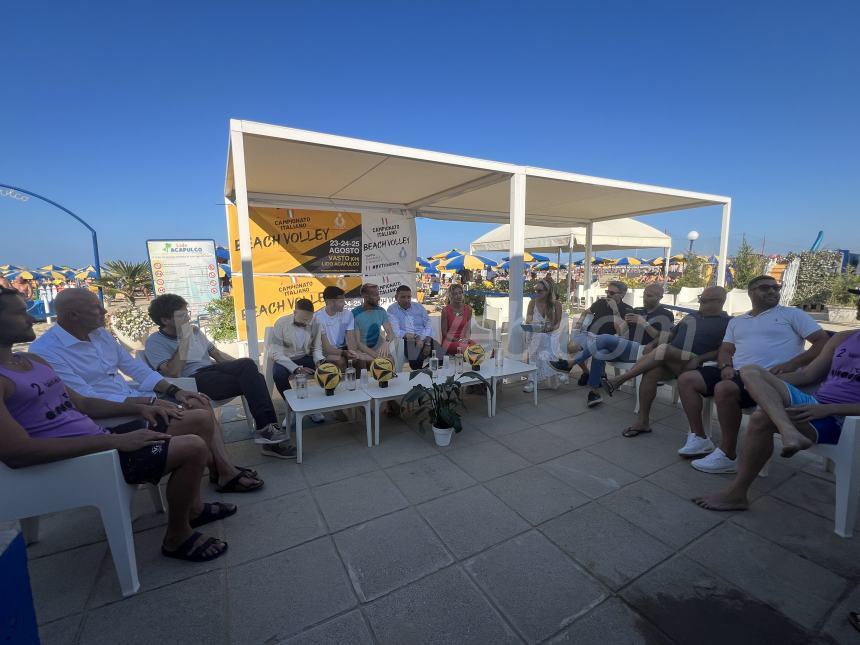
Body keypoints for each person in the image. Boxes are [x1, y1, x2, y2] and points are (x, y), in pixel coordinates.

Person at [0, 287, 230, 562]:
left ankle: (196, 504)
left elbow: (83, 404)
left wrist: (150, 403)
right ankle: (177, 536)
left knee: (198, 416)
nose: (32, 318)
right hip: (86, 457)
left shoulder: (31, 361)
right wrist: (117, 440)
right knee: (192, 446)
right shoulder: (40, 355)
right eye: (21, 312)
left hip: (102, 435)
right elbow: (17, 453)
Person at [29, 289, 265, 488]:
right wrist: (148, 403)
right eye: (96, 309)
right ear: (73, 315)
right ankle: (225, 470)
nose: (104, 312)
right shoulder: (47, 351)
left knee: (202, 399)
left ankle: (222, 469)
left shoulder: (99, 335)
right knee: (202, 415)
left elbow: (135, 369)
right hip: (110, 418)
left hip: (136, 399)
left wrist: (175, 392)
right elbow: (88, 400)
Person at [693, 288, 860, 511]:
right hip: (815, 403)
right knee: (751, 371)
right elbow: (807, 375)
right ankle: (788, 430)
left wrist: (830, 409)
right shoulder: (843, 338)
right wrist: (766, 380)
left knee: (762, 418)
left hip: (843, 417)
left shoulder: (793, 316)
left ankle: (737, 494)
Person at [678, 275, 830, 472]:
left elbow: (821, 341)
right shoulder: (738, 321)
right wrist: (725, 367)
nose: (772, 291)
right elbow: (726, 350)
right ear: (750, 292)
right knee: (687, 379)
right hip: (736, 372)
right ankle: (699, 437)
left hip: (769, 378)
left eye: (776, 288)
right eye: (765, 288)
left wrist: (793, 364)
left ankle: (728, 454)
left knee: (725, 388)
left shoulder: (791, 314)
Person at [143, 293, 295, 460]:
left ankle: (267, 431)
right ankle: (268, 434)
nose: (187, 317)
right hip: (192, 382)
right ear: (165, 320)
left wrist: (247, 368)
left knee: (253, 373)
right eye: (182, 315)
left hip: (214, 372)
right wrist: (184, 339)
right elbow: (172, 373)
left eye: (187, 313)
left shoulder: (196, 332)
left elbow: (217, 355)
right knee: (253, 374)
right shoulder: (155, 342)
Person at [606, 287, 730, 438]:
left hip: (695, 361)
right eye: (700, 298)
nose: (699, 302)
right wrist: (653, 343)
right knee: (651, 372)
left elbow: (723, 350)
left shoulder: (728, 322)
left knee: (665, 348)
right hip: (672, 359)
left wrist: (699, 359)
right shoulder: (691, 316)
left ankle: (619, 380)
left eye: (703, 300)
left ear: (720, 302)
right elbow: (670, 334)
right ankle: (643, 421)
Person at [550, 283, 673, 407]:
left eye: (649, 296)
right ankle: (594, 392)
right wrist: (623, 319)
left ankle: (570, 363)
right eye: (644, 295)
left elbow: (663, 338)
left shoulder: (666, 314)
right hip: (626, 348)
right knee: (599, 352)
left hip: (644, 351)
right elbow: (621, 331)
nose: (645, 298)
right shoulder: (637, 310)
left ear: (660, 297)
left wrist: (643, 323)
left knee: (603, 338)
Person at [269, 298, 325, 424]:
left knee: (327, 369)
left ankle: (313, 407)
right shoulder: (281, 323)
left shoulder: (316, 322)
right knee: (278, 375)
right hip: (285, 358)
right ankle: (292, 408)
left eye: (308, 319)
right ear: (294, 312)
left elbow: (316, 348)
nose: (306, 323)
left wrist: (319, 361)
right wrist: (296, 368)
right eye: (303, 319)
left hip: (305, 357)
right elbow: (275, 352)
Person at [523, 278, 563, 393]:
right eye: (536, 290)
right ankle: (533, 379)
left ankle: (532, 380)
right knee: (539, 338)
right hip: (536, 332)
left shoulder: (556, 304)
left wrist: (550, 329)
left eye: (540, 291)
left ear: (548, 291)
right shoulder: (532, 302)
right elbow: (529, 318)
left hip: (551, 333)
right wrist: (532, 323)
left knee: (543, 338)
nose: (537, 293)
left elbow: (558, 324)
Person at [387, 285, 438, 370]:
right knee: (416, 361)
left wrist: (427, 343)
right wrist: (416, 337)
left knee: (443, 356)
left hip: (425, 338)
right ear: (396, 297)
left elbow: (428, 324)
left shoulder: (418, 307)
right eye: (403, 297)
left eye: (409, 297)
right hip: (407, 340)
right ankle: (421, 374)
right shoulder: (392, 309)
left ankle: (424, 372)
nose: (406, 300)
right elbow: (396, 331)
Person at [314, 286, 359, 371]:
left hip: (343, 349)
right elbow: (326, 349)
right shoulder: (317, 318)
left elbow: (351, 339)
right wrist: (345, 353)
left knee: (358, 360)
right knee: (340, 361)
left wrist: (352, 353)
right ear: (330, 302)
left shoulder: (347, 314)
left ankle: (358, 384)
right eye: (341, 301)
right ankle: (343, 384)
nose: (344, 304)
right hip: (325, 353)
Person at [351, 283, 395, 365]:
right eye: (375, 295)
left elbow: (390, 333)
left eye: (378, 295)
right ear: (365, 296)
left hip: (378, 349)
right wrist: (376, 355)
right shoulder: (355, 313)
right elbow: (358, 343)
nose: (378, 298)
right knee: (360, 362)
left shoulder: (381, 311)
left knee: (390, 360)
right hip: (362, 351)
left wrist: (386, 343)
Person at [440, 283, 473, 356]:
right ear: (451, 296)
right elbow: (444, 333)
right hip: (449, 342)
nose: (459, 296)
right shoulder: (445, 310)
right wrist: (458, 340)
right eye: (455, 294)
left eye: (460, 293)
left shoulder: (468, 309)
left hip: (463, 340)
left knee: (475, 347)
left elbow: (468, 329)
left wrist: (466, 339)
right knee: (467, 349)